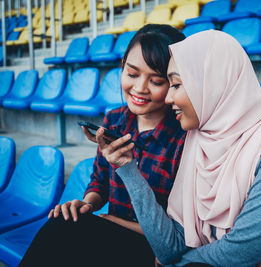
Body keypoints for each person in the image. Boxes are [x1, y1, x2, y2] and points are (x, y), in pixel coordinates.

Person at [111, 30, 261, 266]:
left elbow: (240, 253)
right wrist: (128, 168)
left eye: (175, 84)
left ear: (212, 85)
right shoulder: (196, 144)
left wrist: (178, 263)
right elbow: (168, 249)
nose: (168, 98)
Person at [19, 24, 186, 267]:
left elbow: (175, 236)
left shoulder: (183, 138)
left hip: (153, 250)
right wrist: (87, 204)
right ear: (121, 68)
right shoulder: (114, 120)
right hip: (110, 232)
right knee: (66, 220)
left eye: (156, 80)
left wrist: (108, 219)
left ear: (173, 82)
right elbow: (100, 180)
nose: (139, 88)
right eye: (132, 74)